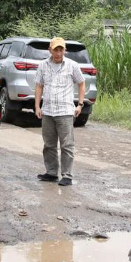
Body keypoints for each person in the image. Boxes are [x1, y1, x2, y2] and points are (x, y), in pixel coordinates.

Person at [34, 37, 85, 186]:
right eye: (55, 49)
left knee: (66, 145)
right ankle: (51, 173)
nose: (58, 52)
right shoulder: (43, 65)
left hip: (65, 111)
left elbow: (81, 84)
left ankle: (67, 175)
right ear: (50, 50)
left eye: (61, 49)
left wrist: (80, 104)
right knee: (49, 144)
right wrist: (37, 106)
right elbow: (39, 86)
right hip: (48, 111)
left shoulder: (72, 65)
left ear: (65, 50)